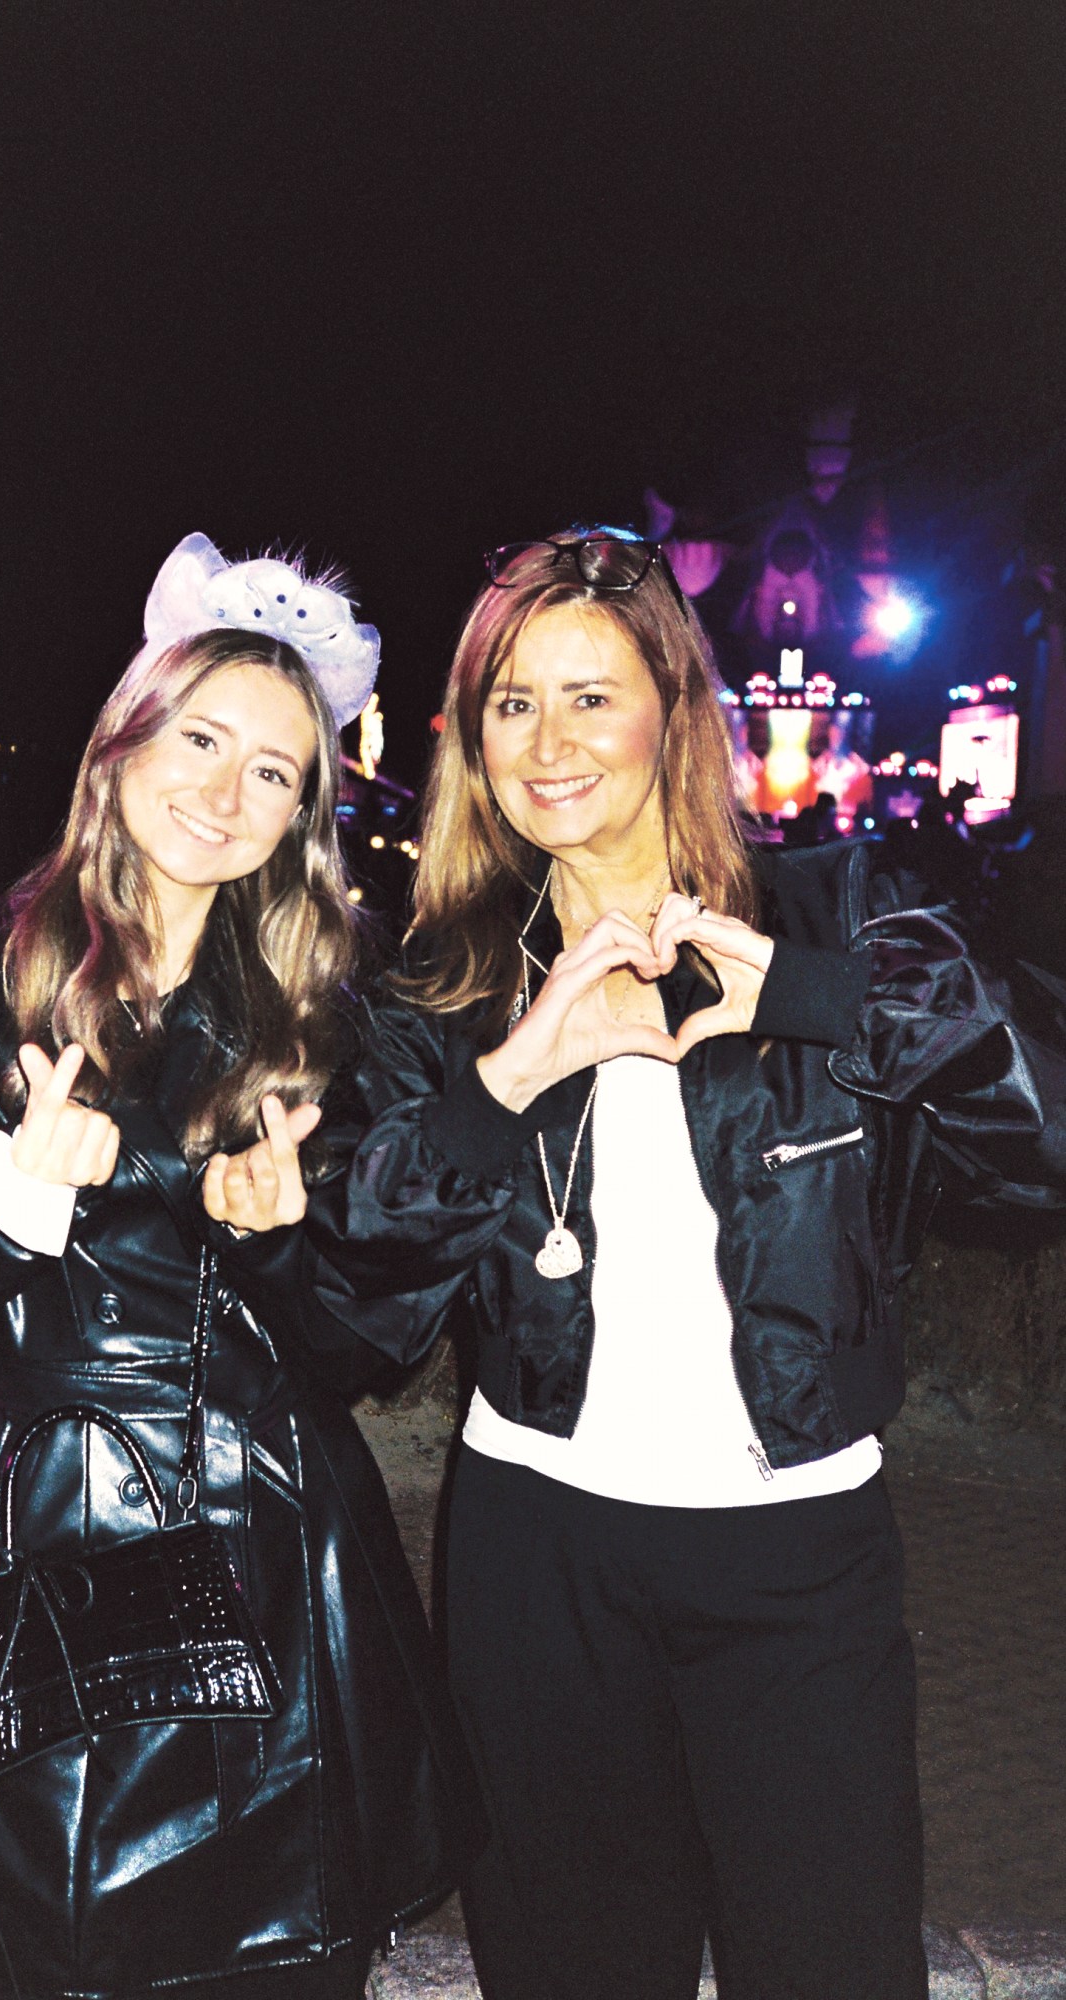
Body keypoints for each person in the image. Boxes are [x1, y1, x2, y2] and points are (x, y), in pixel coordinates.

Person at [206, 526, 1066, 2000]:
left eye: (591, 695)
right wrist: (507, 1081)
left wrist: (805, 998)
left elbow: (1043, 1146)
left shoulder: (839, 907)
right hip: (542, 1557)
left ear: (673, 701)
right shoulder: (440, 979)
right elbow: (351, 1324)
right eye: (511, 701)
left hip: (799, 1558)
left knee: (835, 1967)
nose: (548, 743)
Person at [0, 532, 468, 2000]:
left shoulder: (327, 1008)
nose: (228, 791)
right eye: (204, 737)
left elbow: (372, 1353)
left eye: (277, 771)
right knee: (48, 1955)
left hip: (289, 1590)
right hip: (54, 1577)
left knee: (286, 1967)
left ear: (307, 813)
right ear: (127, 737)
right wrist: (3, 1208)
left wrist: (285, 1238)